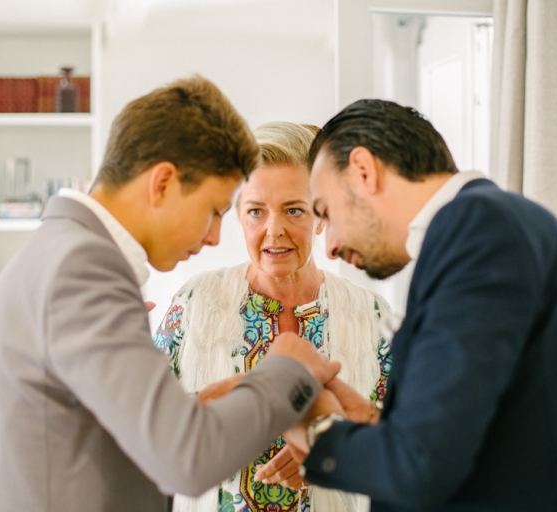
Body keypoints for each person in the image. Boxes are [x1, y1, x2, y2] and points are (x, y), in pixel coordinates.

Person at [0, 76, 342, 512]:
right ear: (164, 183)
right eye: (213, 210)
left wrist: (193, 409)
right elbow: (186, 460)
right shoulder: (83, 270)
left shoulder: (60, 251)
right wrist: (289, 369)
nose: (213, 237)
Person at [257, 99, 557, 511]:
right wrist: (371, 423)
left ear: (364, 171)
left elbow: (420, 465)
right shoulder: (480, 229)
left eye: (325, 212)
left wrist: (313, 427)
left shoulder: (481, 232)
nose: (328, 246)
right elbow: (469, 438)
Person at [154, 121, 392, 512]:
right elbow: (147, 424)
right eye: (255, 212)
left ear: (320, 215)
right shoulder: (195, 302)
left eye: (294, 210)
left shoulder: (370, 315)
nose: (273, 230)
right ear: (238, 215)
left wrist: (335, 458)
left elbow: (402, 442)